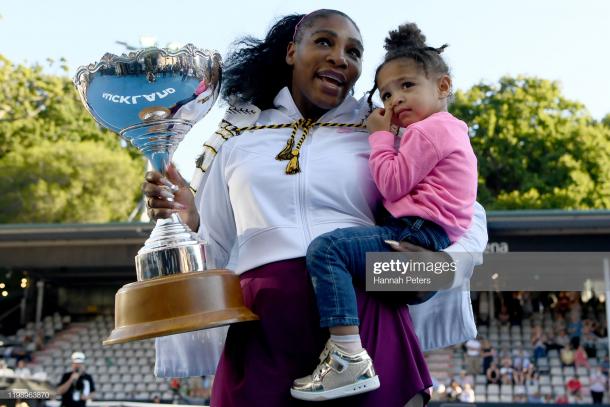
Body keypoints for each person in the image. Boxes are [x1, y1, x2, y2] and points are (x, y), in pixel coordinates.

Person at [146, 9, 487, 406]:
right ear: (292, 51)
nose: (340, 57)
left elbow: (465, 212)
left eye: (354, 52)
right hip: (262, 326)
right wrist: (189, 220)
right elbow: (216, 249)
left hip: (367, 319)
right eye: (324, 41)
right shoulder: (239, 138)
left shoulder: (386, 129)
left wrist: (435, 270)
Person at [290, 22, 477, 401]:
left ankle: (347, 358)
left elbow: (391, 183)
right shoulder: (451, 130)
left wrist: (380, 136)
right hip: (428, 236)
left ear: (443, 87)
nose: (394, 102)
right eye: (387, 93)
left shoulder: (427, 132)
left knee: (328, 251)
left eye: (407, 86)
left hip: (414, 233)